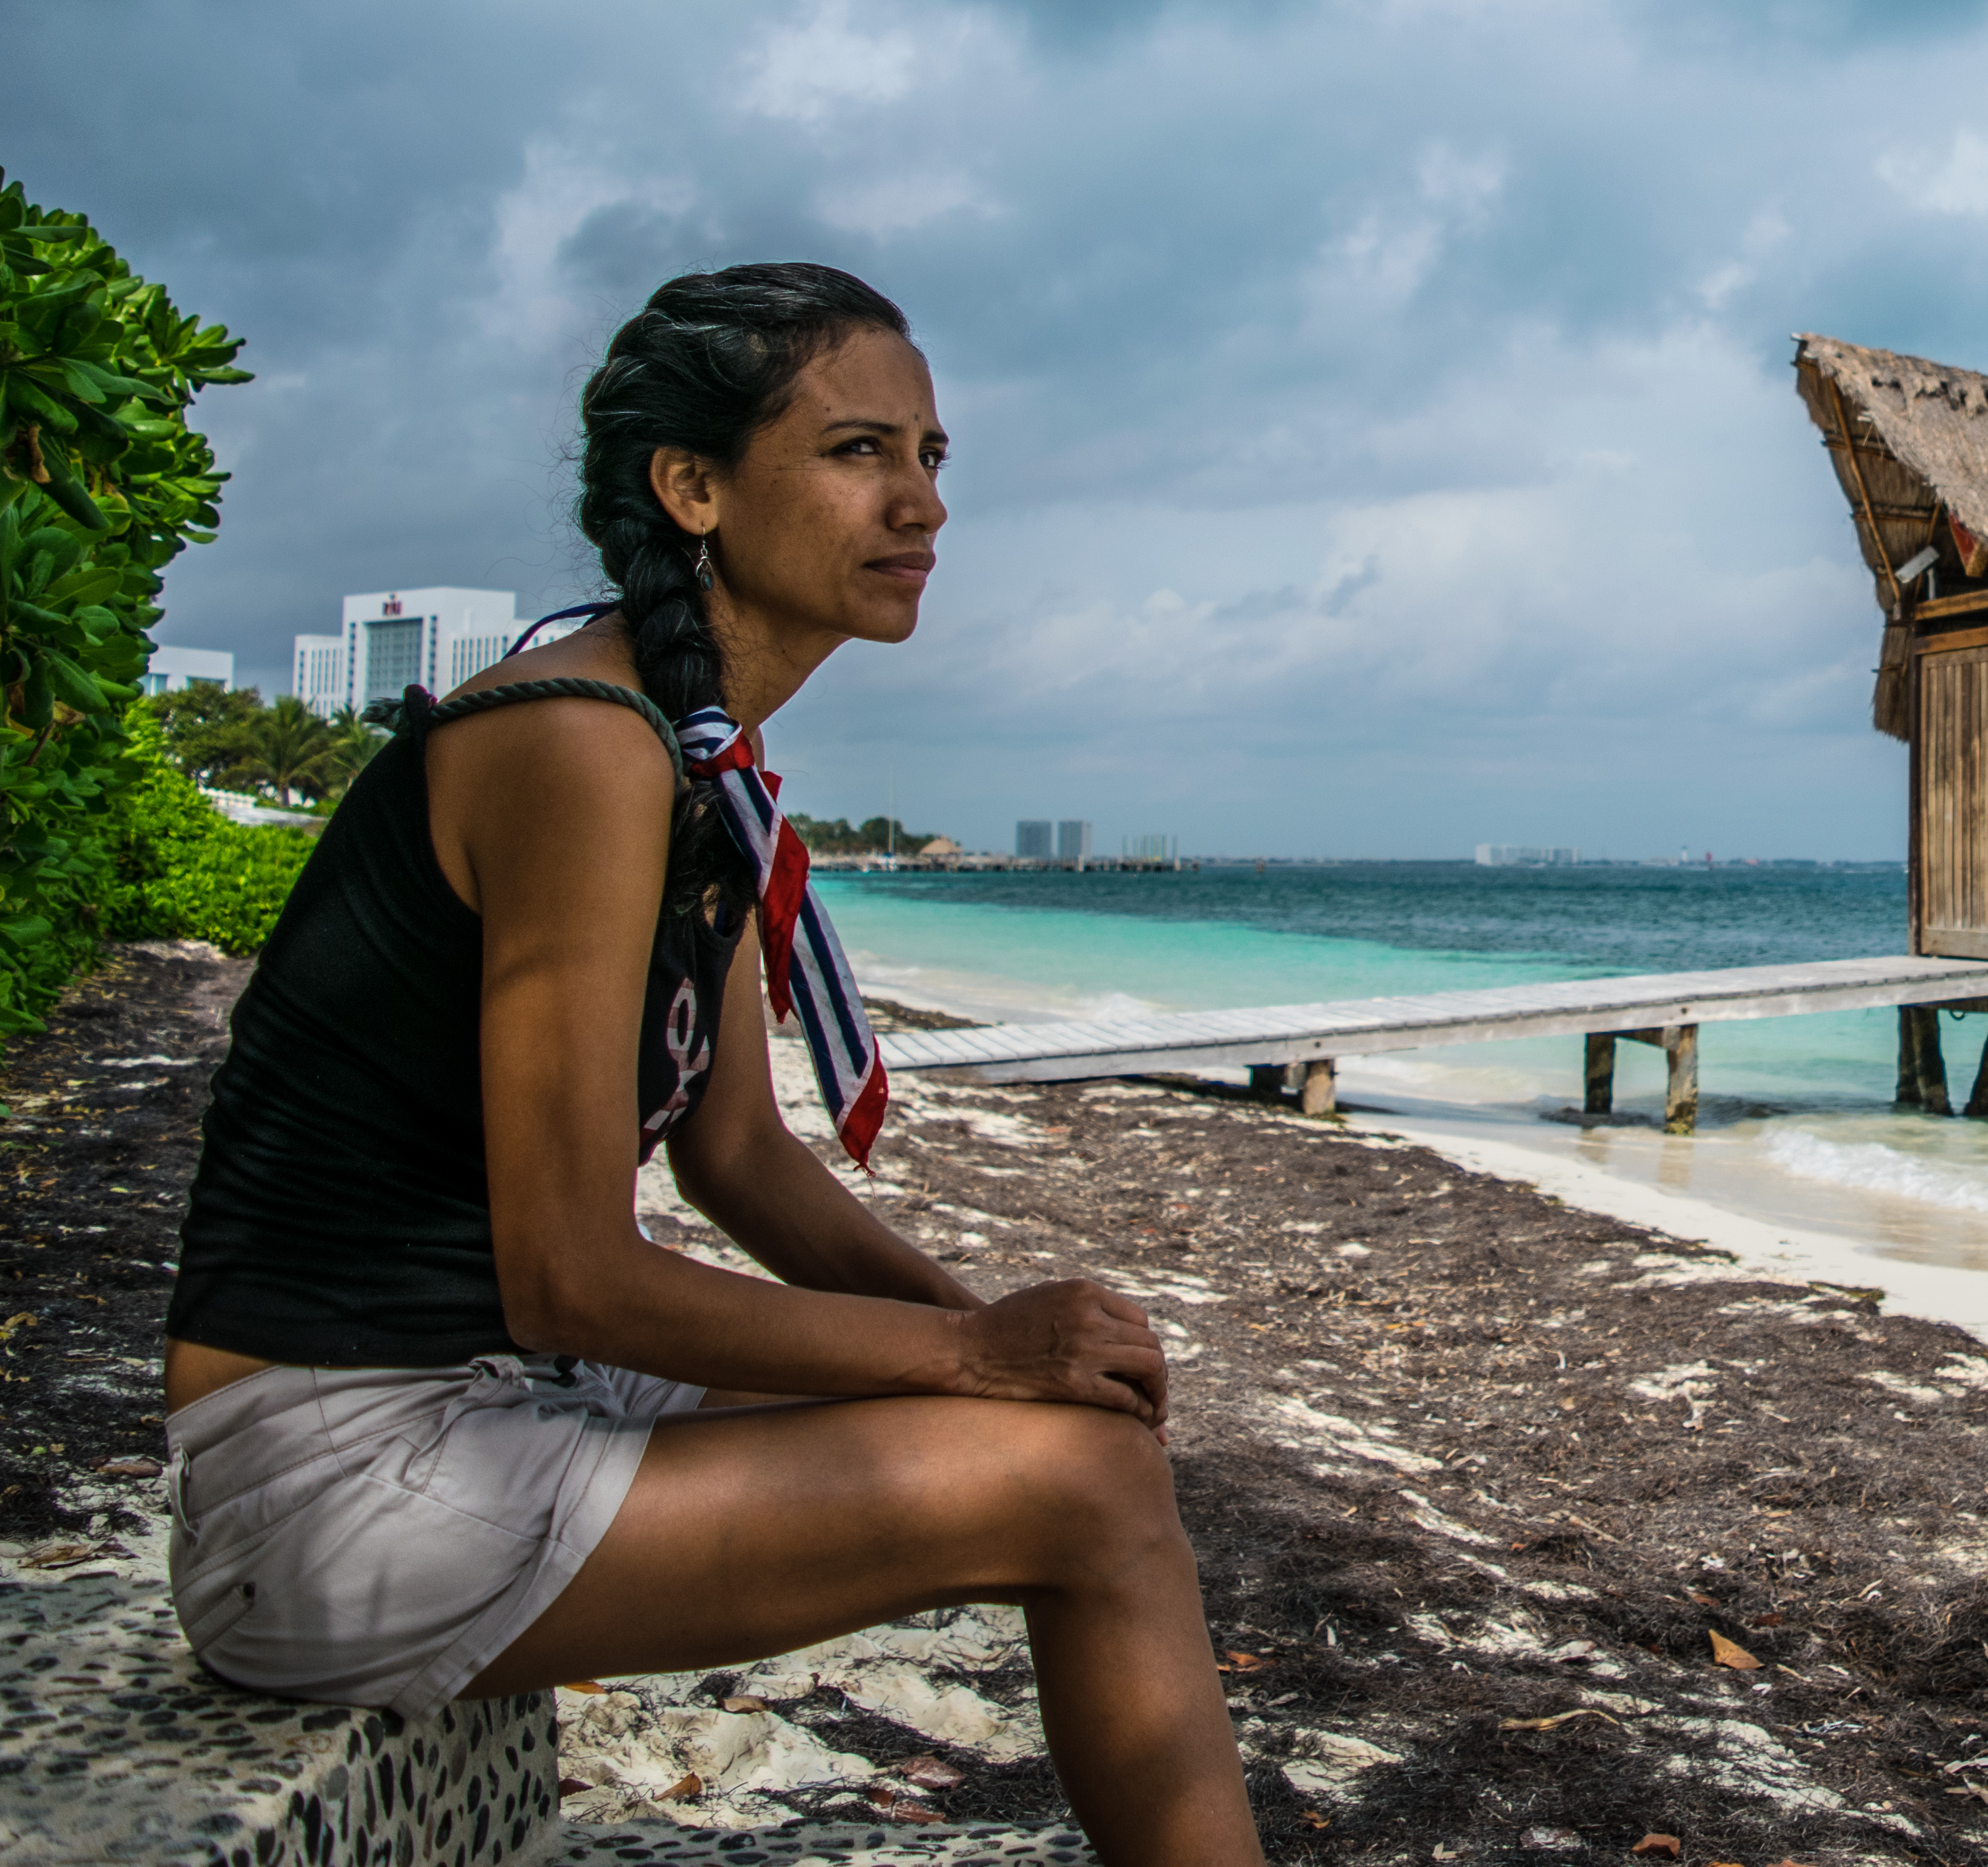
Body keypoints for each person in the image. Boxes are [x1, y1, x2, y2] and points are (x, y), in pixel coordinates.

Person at [161, 264, 1263, 1866]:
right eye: (857, 453)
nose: (919, 506)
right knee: (1083, 1500)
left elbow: (735, 1156)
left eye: (934, 460)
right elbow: (571, 1279)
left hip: (491, 1398)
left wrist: (996, 1341)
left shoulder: (697, 772)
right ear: (692, 487)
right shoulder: (576, 750)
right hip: (334, 1483)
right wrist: (973, 1367)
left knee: (1088, 1446)